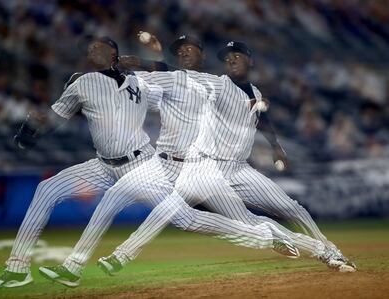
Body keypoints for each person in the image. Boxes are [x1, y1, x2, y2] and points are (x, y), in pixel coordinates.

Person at [37, 35, 300, 287]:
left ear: (203, 55)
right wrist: (95, 77)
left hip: (199, 166)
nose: (184, 51)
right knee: (115, 197)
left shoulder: (218, 83)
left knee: (202, 219)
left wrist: (268, 128)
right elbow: (129, 81)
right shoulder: (169, 79)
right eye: (179, 49)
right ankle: (75, 266)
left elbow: (252, 105)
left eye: (190, 48)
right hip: (164, 163)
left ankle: (263, 235)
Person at [96, 40, 356, 275]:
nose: (231, 59)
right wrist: (143, 63)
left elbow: (262, 119)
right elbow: (180, 75)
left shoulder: (254, 92)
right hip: (207, 168)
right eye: (227, 56)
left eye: (237, 54)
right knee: (170, 209)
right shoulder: (218, 84)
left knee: (290, 209)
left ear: (250, 60)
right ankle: (120, 256)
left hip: (240, 169)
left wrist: (276, 147)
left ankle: (327, 249)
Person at [0, 36, 164, 288]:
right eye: (90, 49)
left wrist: (148, 61)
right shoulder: (82, 83)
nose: (92, 51)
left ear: (114, 55)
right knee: (46, 189)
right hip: (103, 166)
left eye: (98, 47)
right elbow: (54, 119)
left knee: (183, 215)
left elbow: (173, 86)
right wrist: (28, 132)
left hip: (141, 164)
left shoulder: (138, 83)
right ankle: (17, 269)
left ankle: (238, 230)